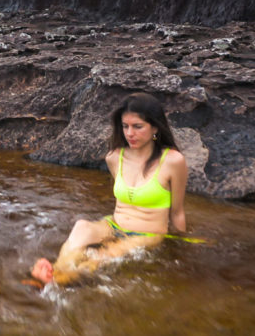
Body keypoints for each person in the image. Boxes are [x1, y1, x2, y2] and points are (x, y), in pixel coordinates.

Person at [30, 92, 189, 285]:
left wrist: (180, 246)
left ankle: (53, 281)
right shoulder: (114, 157)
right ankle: (57, 270)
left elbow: (177, 212)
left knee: (99, 257)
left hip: (147, 234)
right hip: (113, 225)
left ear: (155, 127)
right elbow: (124, 201)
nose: (130, 133)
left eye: (138, 127)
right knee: (82, 228)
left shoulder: (173, 161)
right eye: (125, 126)